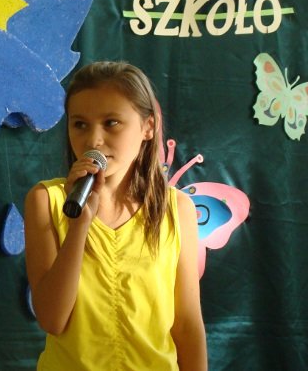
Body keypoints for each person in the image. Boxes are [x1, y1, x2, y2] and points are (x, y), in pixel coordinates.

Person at [24, 61, 207, 370]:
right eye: (80, 124)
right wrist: (79, 224)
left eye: (111, 123)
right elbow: (52, 319)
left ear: (148, 127)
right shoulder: (46, 200)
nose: (93, 140)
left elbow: (187, 325)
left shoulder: (177, 209)